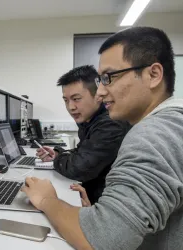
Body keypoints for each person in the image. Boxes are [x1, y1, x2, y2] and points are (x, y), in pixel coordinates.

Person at [22, 26, 183, 250]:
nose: (100, 93)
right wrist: (98, 211)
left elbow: (104, 240)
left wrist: (47, 200)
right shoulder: (166, 125)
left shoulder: (155, 133)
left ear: (153, 75)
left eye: (109, 78)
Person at [36, 65, 130, 204]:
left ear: (98, 95)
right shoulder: (89, 120)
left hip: (106, 203)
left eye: (76, 98)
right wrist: (57, 153)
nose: (70, 107)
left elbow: (79, 168)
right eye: (66, 100)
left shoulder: (110, 124)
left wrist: (57, 160)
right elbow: (83, 151)